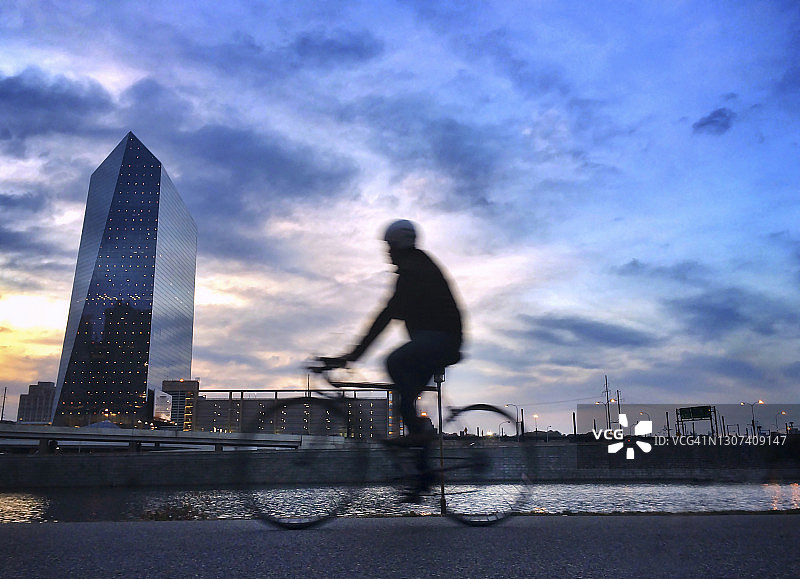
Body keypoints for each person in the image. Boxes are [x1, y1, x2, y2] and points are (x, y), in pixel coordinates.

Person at [332, 219, 464, 498]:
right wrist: (353, 355)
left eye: (389, 246)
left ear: (398, 245)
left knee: (394, 363)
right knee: (404, 403)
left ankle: (419, 441)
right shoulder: (415, 267)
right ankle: (422, 477)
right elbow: (390, 313)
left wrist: (352, 355)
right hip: (439, 340)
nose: (386, 253)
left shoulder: (414, 270)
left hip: (441, 339)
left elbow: (387, 314)